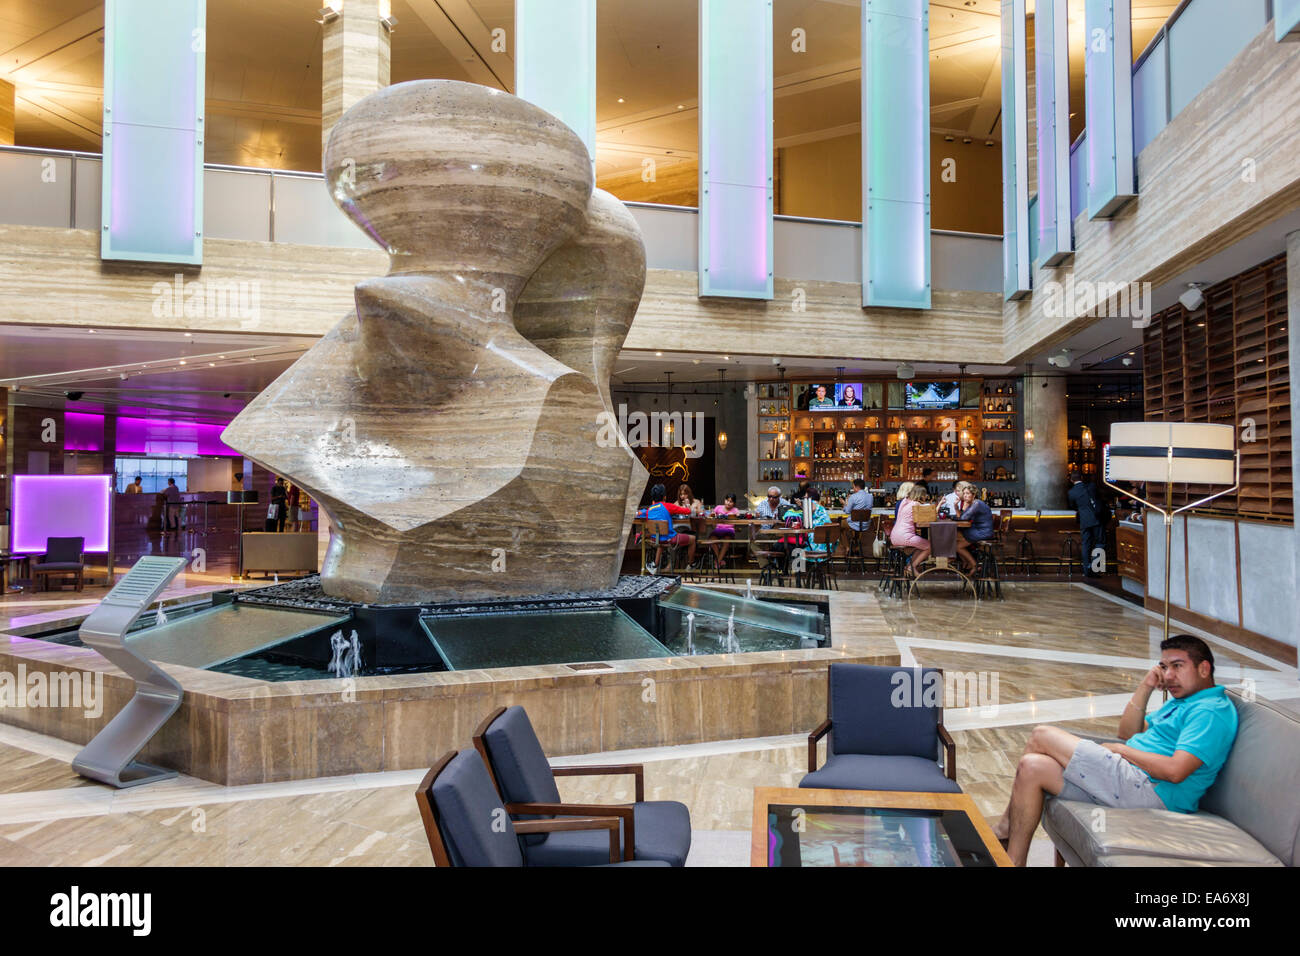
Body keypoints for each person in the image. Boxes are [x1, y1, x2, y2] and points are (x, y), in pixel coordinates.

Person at [991, 635, 1238, 867]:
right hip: (1131, 780)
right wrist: (1146, 685)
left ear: (1204, 669)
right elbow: (1128, 732)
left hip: (1153, 792)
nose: (1169, 675)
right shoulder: (1183, 701)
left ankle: (1003, 830)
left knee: (1041, 735)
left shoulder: (1210, 711)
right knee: (1032, 767)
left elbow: (1175, 771)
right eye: (1164, 667)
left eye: (1177, 666)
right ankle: (1013, 861)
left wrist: (1122, 751)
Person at [637, 483, 695, 574]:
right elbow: (687, 511)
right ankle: (691, 565)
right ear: (664, 497)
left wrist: (639, 512)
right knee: (693, 539)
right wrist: (687, 504)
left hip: (657, 539)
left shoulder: (650, 509)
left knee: (661, 539)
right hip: (670, 539)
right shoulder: (668, 506)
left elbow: (641, 513)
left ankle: (655, 565)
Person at [1068, 471, 1111, 578]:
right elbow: (1101, 497)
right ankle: (1094, 567)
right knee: (1101, 542)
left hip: (1084, 520)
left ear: (1071, 480)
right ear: (1082, 477)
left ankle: (1087, 570)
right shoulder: (1091, 486)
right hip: (1097, 518)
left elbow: (1073, 506)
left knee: (1086, 544)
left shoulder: (1071, 492)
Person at [889, 485, 931, 577]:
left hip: (895, 536)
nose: (926, 497)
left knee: (921, 546)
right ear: (921, 495)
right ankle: (911, 567)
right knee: (930, 546)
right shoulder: (916, 504)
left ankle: (909, 567)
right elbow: (930, 512)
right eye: (925, 495)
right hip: (904, 536)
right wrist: (939, 504)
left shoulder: (904, 501)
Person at [953, 484, 994, 574]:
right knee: (956, 539)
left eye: (968, 493)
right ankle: (967, 563)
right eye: (964, 494)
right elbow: (962, 517)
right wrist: (956, 507)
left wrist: (963, 506)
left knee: (957, 544)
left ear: (974, 495)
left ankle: (973, 565)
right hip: (978, 530)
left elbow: (963, 518)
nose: (965, 496)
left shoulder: (977, 503)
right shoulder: (973, 504)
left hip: (983, 532)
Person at [709, 494, 741, 565]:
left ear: (734, 503)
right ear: (724, 500)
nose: (728, 503)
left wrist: (736, 516)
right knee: (712, 539)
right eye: (727, 500)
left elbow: (739, 518)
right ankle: (719, 560)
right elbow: (712, 516)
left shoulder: (735, 510)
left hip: (729, 530)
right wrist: (712, 514)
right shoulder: (718, 507)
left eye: (731, 501)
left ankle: (717, 562)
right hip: (718, 529)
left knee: (726, 540)